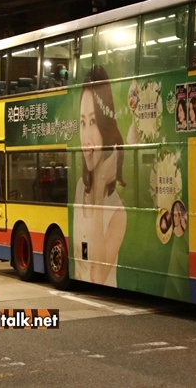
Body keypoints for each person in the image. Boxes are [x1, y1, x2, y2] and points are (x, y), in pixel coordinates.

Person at [74, 65, 127, 287]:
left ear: (105, 126)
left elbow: (96, 277)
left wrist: (100, 185)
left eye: (93, 122)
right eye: (82, 123)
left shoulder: (118, 213)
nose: (86, 139)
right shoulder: (80, 187)